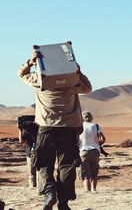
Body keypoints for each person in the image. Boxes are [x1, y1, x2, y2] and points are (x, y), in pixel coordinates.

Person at [18, 49, 92, 210]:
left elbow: (21, 74)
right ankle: (63, 201)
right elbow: (88, 88)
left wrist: (30, 62)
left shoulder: (40, 81)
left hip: (46, 129)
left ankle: (50, 193)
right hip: (69, 129)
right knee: (67, 165)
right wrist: (77, 71)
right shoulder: (71, 82)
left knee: (44, 163)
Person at [78, 111, 106, 193]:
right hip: (95, 151)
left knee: (85, 173)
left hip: (83, 151)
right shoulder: (96, 126)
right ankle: (94, 189)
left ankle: (87, 190)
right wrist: (99, 144)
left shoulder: (79, 126)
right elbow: (102, 138)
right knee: (94, 172)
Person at [17, 117, 38, 188]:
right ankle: (40, 189)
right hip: (39, 152)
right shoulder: (40, 129)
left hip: (31, 153)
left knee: (32, 174)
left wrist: (20, 129)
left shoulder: (26, 130)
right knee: (39, 172)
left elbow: (21, 141)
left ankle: (33, 188)